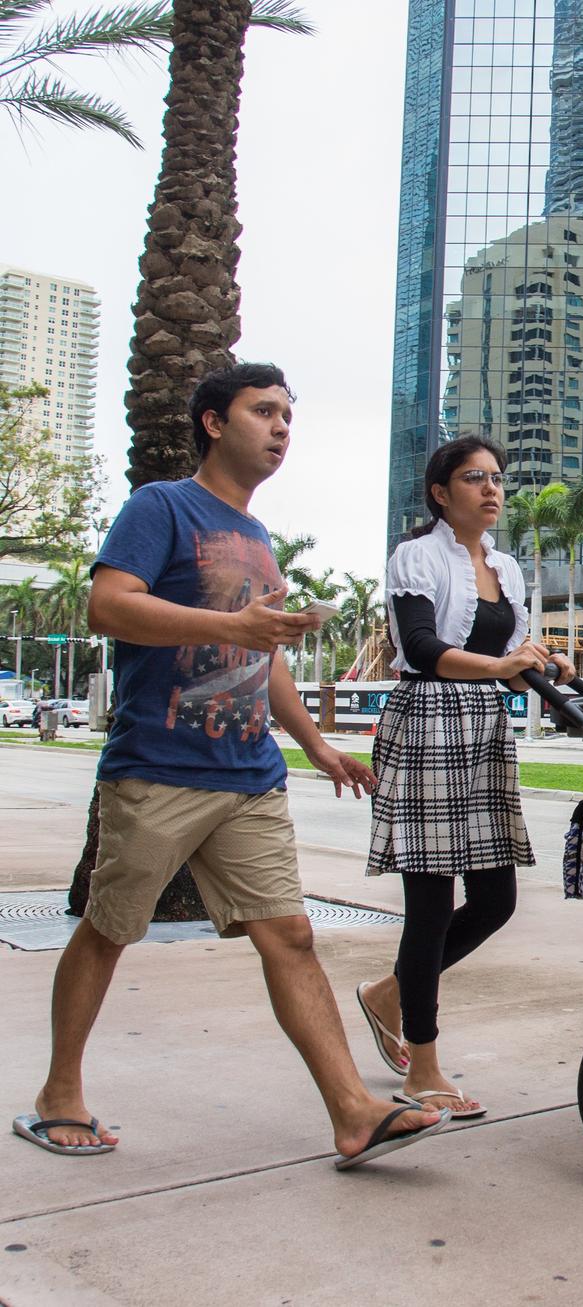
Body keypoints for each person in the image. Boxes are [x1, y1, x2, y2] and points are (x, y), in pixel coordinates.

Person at [13, 362, 447, 1171]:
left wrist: (314, 742)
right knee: (110, 930)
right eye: (264, 411)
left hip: (248, 773)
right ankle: (58, 1092)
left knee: (290, 934)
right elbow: (107, 604)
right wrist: (233, 626)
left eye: (289, 414)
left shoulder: (256, 538)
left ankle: (353, 1111)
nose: (282, 427)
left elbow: (264, 656)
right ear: (214, 422)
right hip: (160, 765)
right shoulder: (162, 507)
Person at [357, 434, 573, 1120]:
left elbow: (517, 656)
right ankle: (422, 1066)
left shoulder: (505, 567)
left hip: (484, 728)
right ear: (441, 492)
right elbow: (420, 647)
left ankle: (389, 992)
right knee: (428, 905)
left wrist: (562, 675)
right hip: (427, 721)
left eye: (497, 478)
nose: (491, 488)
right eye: (474, 477)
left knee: (496, 897)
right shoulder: (415, 556)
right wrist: (505, 669)